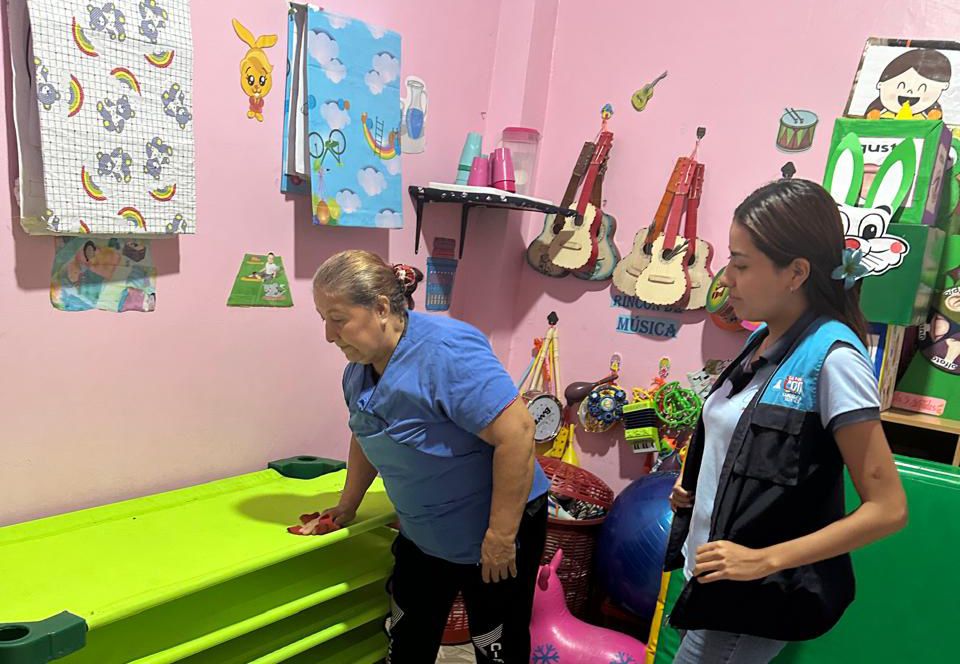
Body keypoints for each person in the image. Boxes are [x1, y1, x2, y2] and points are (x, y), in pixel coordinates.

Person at [665, 179, 908, 664]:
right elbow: (750, 449)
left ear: (796, 272)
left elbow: (888, 509)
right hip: (710, 585)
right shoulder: (763, 340)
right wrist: (700, 484)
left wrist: (763, 560)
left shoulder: (834, 359)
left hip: (749, 603)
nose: (726, 278)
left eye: (741, 264)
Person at [305, 249, 550, 664]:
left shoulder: (447, 352)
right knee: (407, 637)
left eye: (338, 318)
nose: (329, 335)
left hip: (494, 528)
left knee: (495, 641)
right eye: (323, 319)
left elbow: (519, 434)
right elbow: (366, 432)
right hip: (424, 531)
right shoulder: (359, 369)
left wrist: (501, 536)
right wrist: (348, 505)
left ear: (381, 308)